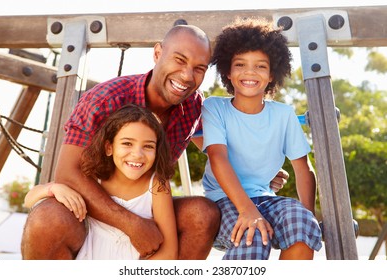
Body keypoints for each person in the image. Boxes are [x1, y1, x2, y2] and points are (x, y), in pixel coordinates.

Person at [21, 24, 288, 260]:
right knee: (47, 218)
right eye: (179, 60)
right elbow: (67, 173)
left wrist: (256, 168)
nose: (186, 76)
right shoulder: (105, 99)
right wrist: (132, 225)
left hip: (147, 208)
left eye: (198, 68)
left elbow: (214, 143)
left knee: (202, 213)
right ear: (158, 53)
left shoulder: (194, 106)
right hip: (92, 212)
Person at [201, 17, 322, 260]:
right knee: (251, 233)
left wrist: (305, 215)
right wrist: (247, 210)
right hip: (224, 201)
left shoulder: (283, 114)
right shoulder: (214, 108)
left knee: (301, 224)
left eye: (260, 66)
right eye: (240, 64)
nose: (249, 72)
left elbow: (303, 168)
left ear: (271, 75)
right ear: (227, 70)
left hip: (266, 199)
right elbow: (218, 159)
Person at [24, 104, 178, 259]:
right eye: (127, 143)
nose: (137, 154)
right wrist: (53, 189)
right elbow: (29, 200)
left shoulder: (157, 185)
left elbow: (169, 252)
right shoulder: (93, 178)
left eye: (148, 146)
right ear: (109, 147)